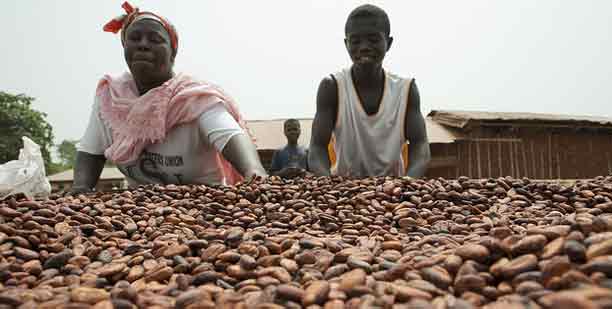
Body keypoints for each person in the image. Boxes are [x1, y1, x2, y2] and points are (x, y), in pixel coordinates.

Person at [72, 2, 266, 193]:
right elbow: (92, 152)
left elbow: (230, 136)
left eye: (155, 40)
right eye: (135, 38)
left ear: (173, 52)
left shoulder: (193, 97)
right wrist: (80, 187)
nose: (143, 45)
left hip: (204, 203)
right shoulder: (111, 97)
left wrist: (254, 173)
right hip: (138, 209)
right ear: (124, 46)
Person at [309, 4, 431, 178]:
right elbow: (317, 148)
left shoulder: (406, 89)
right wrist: (328, 187)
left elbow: (420, 146)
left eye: (373, 40)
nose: (364, 47)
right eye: (355, 41)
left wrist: (408, 183)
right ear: (346, 44)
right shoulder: (332, 87)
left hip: (395, 192)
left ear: (388, 43)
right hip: (344, 191)